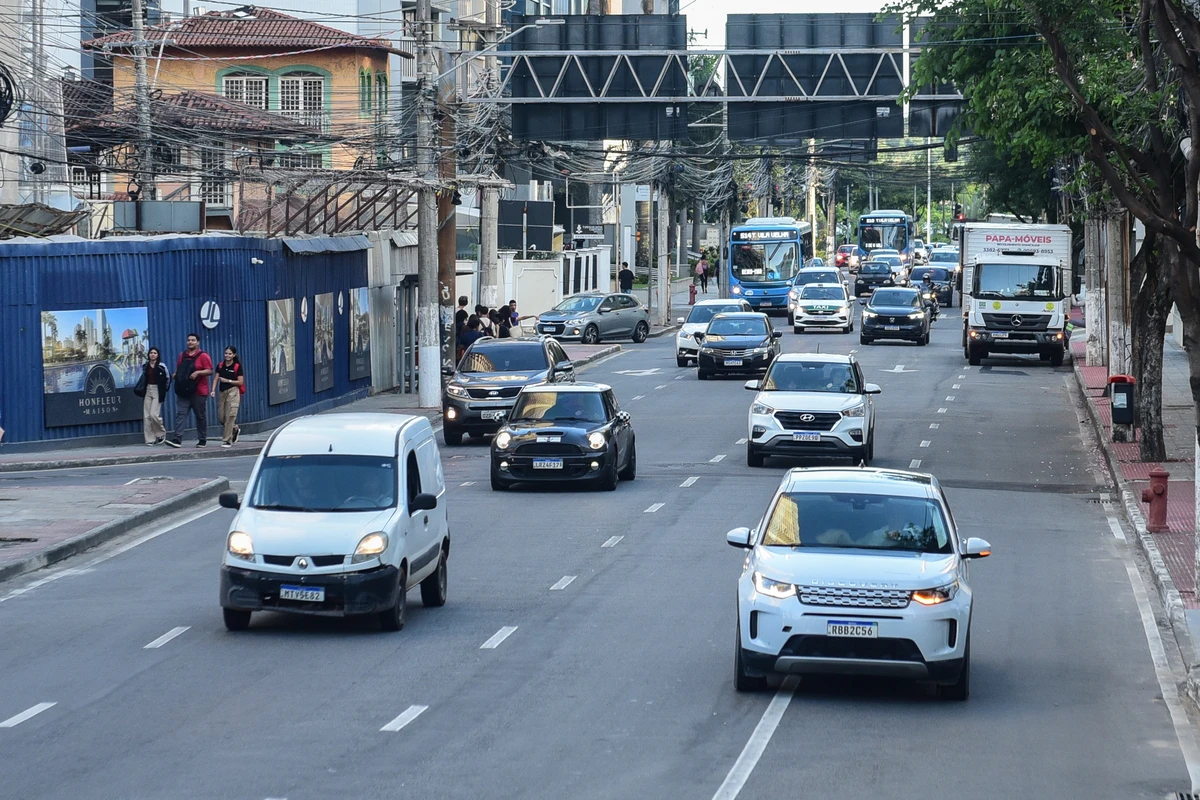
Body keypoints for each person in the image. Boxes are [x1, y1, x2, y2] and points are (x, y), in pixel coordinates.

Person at [168, 332, 213, 448]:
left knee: (200, 416)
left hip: (198, 392)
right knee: (181, 414)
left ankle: (202, 439)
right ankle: (177, 439)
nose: (190, 342)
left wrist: (198, 372)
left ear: (198, 342)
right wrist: (174, 376)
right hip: (183, 391)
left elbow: (209, 370)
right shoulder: (182, 355)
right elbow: (179, 369)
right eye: (188, 340)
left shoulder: (203, 356)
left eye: (193, 340)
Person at [137, 347, 170, 446]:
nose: (152, 354)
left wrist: (164, 390)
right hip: (148, 390)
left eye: (155, 353)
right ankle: (150, 439)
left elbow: (168, 379)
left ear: (158, 355)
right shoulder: (145, 366)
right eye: (151, 353)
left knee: (153, 414)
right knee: (146, 416)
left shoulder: (162, 366)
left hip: (157, 390)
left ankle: (161, 434)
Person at [216, 345, 245, 449]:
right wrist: (212, 390)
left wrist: (228, 381)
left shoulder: (237, 366)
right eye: (226, 353)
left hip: (233, 391)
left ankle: (227, 440)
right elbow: (216, 378)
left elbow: (240, 382)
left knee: (230, 415)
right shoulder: (220, 365)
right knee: (221, 417)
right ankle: (234, 429)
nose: (227, 355)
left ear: (234, 355)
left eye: (229, 354)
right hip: (222, 392)